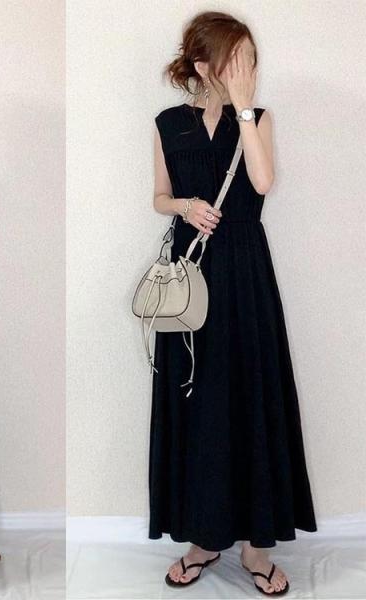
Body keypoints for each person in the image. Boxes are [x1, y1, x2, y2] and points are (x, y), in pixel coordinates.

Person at [149, 11, 317, 596]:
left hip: (245, 270)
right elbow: (158, 195)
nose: (248, 67)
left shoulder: (259, 118)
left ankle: (256, 546)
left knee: (251, 394)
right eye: (236, 58)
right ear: (204, 66)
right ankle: (203, 538)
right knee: (199, 401)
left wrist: (244, 107)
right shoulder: (168, 123)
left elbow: (263, 182)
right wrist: (184, 207)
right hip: (191, 275)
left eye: (251, 57)